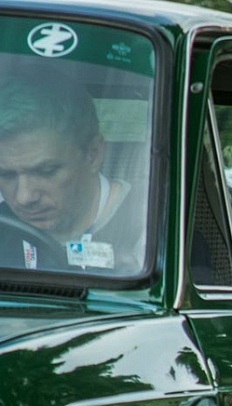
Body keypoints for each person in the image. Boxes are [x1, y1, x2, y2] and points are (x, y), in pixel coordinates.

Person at [0, 68, 142, 272]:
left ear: (93, 154)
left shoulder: (152, 237)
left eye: (47, 171)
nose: (24, 197)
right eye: (6, 174)